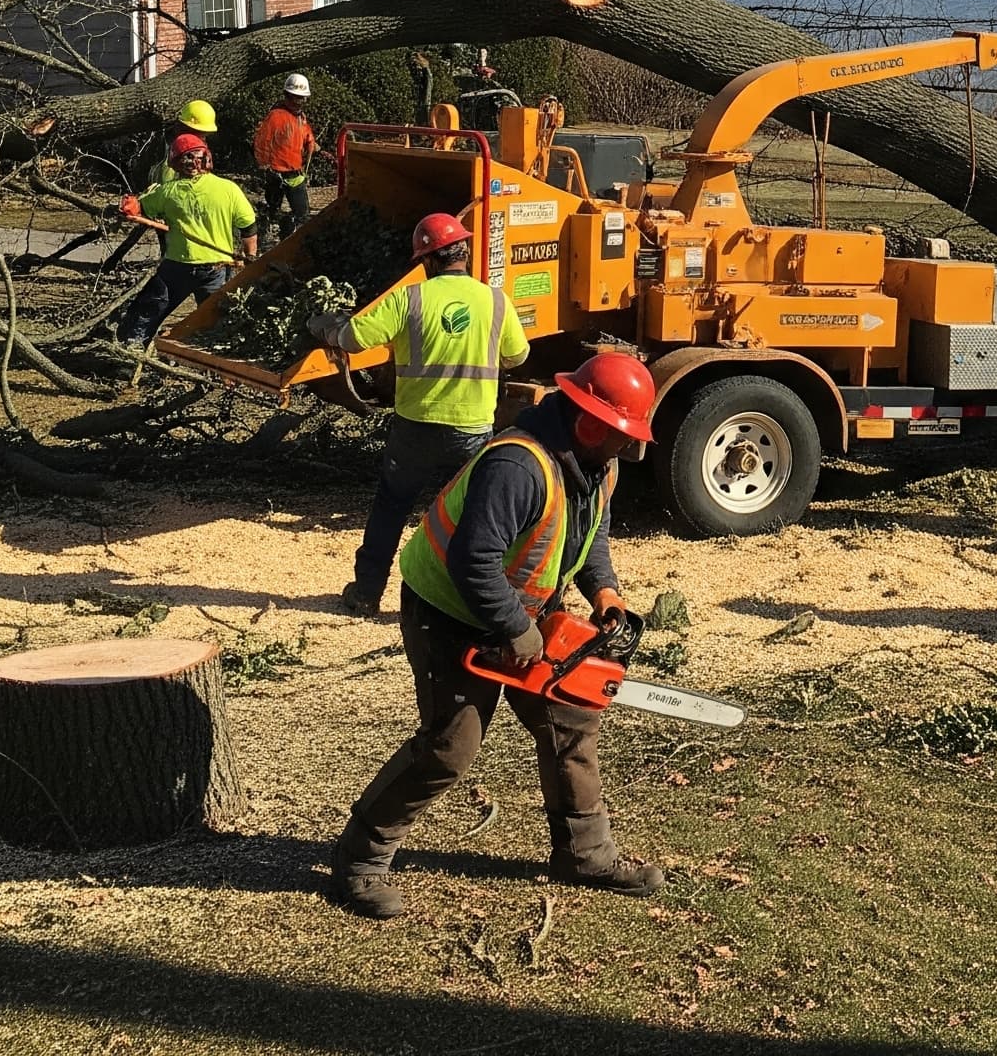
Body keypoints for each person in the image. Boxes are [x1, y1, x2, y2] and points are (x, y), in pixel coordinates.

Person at [327, 350, 665, 916]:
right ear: (588, 421)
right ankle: (360, 858)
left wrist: (604, 592)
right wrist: (514, 629)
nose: (625, 449)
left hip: (525, 601)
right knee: (450, 747)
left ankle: (584, 852)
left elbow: (589, 536)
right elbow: (473, 560)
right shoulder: (518, 466)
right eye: (618, 436)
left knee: (571, 719)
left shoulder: (596, 465)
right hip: (449, 609)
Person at [319, 211, 527, 617]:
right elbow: (517, 355)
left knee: (392, 506)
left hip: (415, 428)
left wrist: (326, 326)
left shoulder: (408, 299)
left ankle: (366, 593)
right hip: (472, 430)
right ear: (463, 255)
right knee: (476, 516)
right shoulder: (495, 301)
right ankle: (475, 602)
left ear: (428, 260)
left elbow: (353, 338)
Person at [119, 134, 258, 347]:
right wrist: (250, 256)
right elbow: (248, 226)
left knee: (151, 307)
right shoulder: (229, 189)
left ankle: (131, 346)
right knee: (216, 319)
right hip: (216, 267)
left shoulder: (168, 193)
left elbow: (140, 208)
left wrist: (130, 205)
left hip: (178, 266)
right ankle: (218, 359)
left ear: (175, 164)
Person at [252, 73, 317, 237]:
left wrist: (311, 142)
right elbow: (262, 142)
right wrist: (265, 166)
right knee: (273, 211)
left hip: (294, 172)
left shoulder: (300, 117)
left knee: (302, 214)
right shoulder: (275, 116)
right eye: (295, 98)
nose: (298, 102)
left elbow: (305, 133)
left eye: (301, 98)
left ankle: (292, 236)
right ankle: (269, 238)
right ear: (287, 96)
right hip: (275, 173)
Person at [138, 96, 221, 187]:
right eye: (201, 134)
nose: (203, 139)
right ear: (186, 128)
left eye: (205, 134)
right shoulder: (167, 152)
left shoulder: (194, 146)